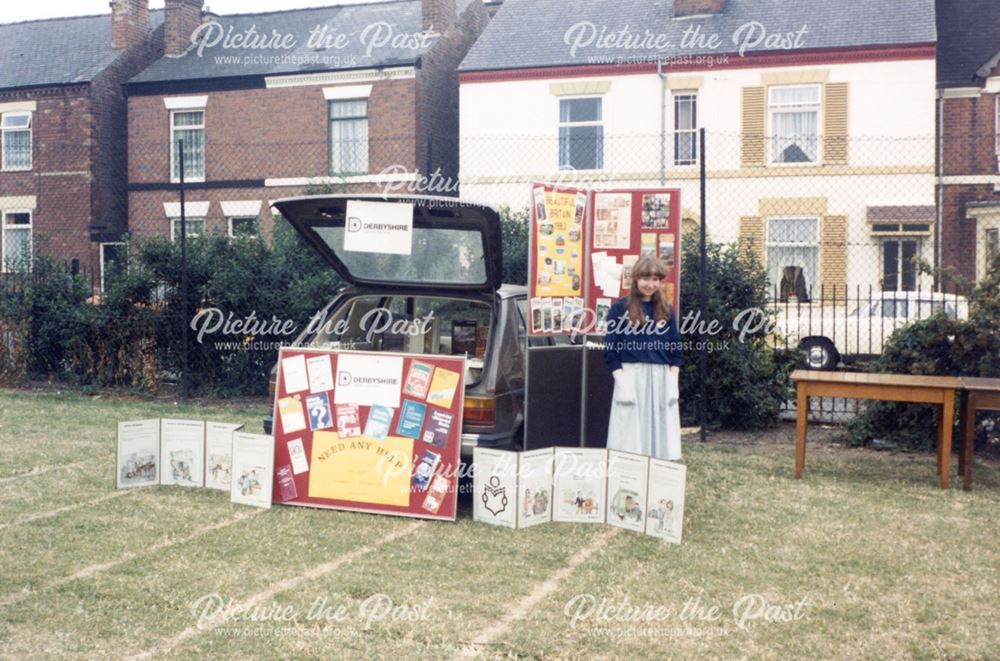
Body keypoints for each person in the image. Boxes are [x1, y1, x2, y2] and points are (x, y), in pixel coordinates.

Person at [604, 255, 682, 460]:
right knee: (630, 434)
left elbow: (676, 350)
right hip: (631, 376)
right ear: (636, 279)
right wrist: (622, 382)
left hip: (660, 377)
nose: (650, 284)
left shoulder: (666, 310)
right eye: (646, 278)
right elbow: (611, 350)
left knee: (659, 432)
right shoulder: (619, 309)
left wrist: (672, 381)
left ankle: (657, 478)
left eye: (655, 279)